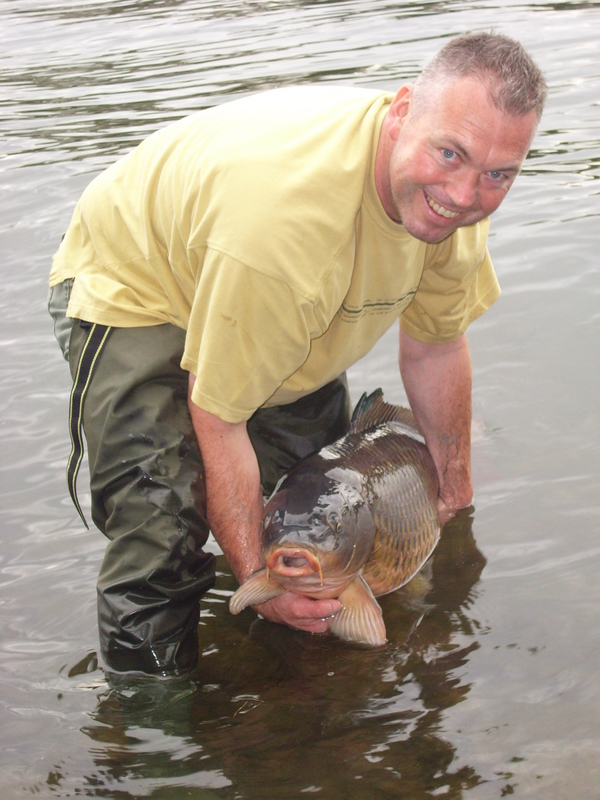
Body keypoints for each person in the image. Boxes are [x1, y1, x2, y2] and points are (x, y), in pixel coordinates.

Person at [48, 32, 546, 677]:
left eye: (497, 174)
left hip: (270, 294)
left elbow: (434, 346)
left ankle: (291, 689)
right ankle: (151, 739)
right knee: (162, 523)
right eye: (450, 153)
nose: (464, 193)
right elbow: (218, 415)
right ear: (399, 114)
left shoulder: (452, 213)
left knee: (323, 503)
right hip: (140, 283)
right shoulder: (286, 234)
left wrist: (454, 488)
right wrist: (258, 580)